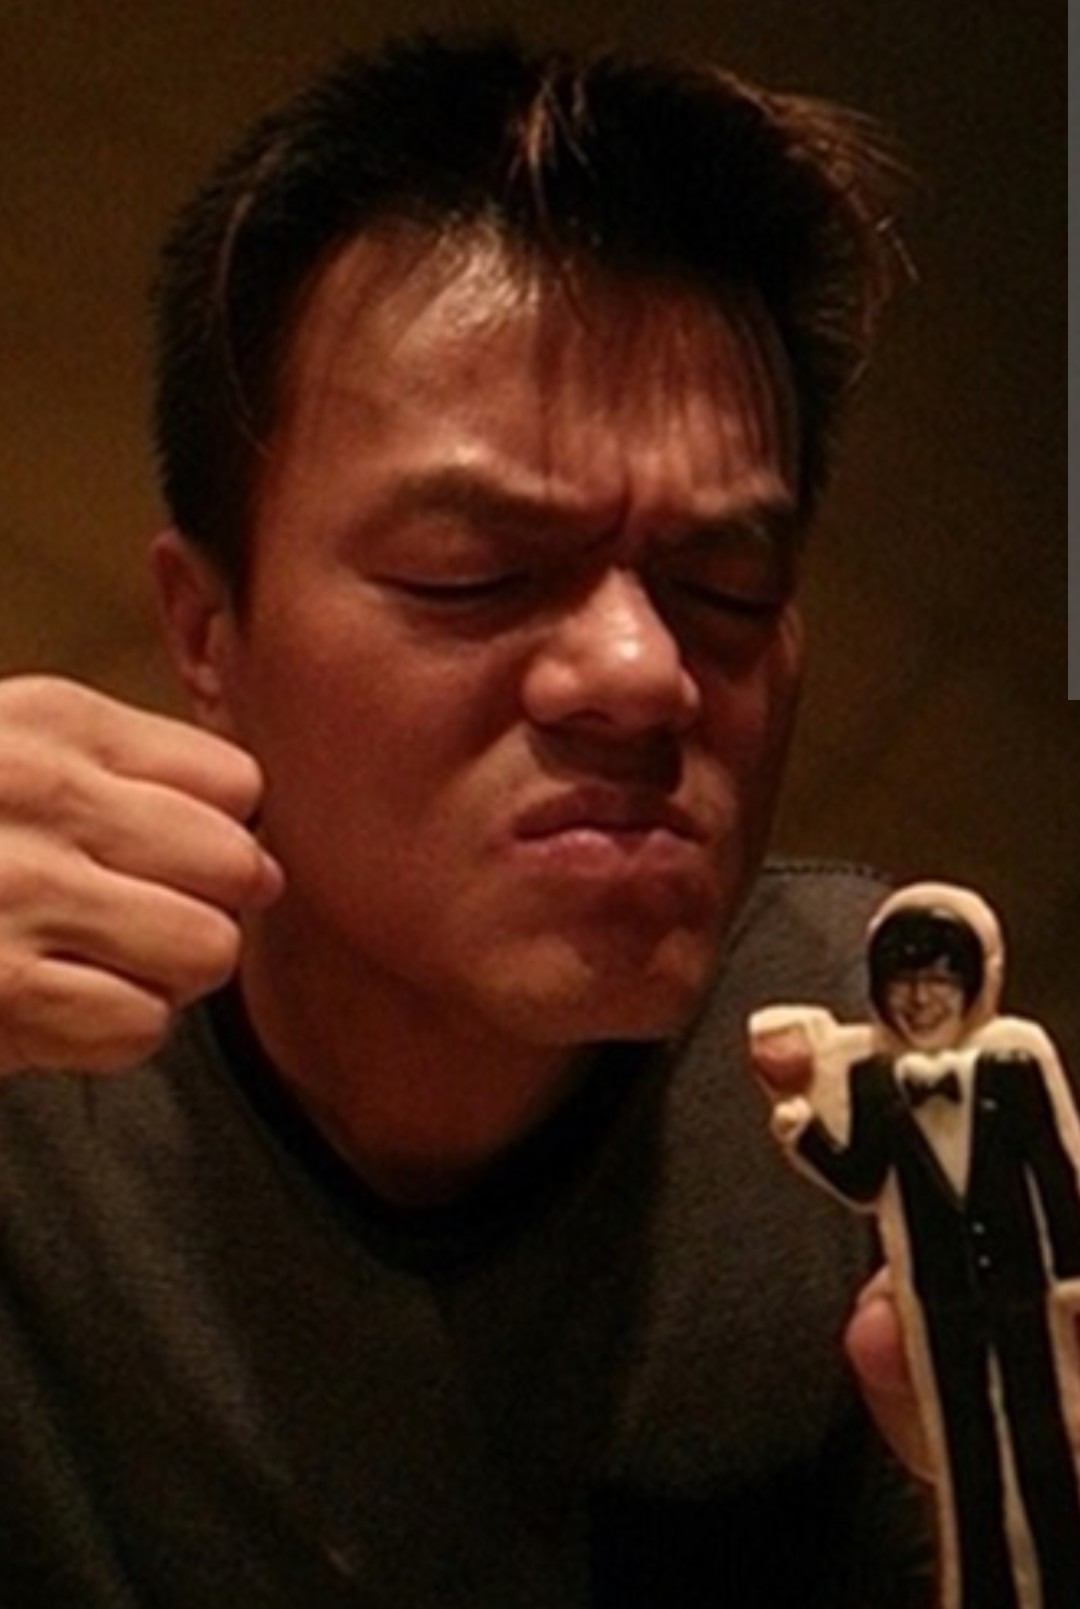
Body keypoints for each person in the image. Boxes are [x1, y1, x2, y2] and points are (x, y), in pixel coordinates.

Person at [0, 31, 939, 1606]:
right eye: (473, 573)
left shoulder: (877, 1070)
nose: (640, 673)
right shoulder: (33, 1069)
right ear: (206, 631)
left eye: (725, 586)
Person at [764, 884, 1080, 1609]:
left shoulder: (1015, 1065)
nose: (920, 1000)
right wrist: (803, 1132)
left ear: (973, 984)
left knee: (1044, 1443)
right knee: (965, 1453)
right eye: (904, 983)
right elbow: (862, 1175)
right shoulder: (874, 1081)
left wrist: (1073, 1272)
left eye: (938, 980)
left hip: (1024, 1294)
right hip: (938, 1303)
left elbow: (1054, 1171)